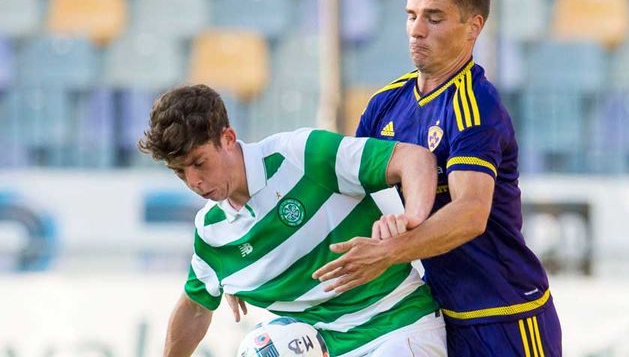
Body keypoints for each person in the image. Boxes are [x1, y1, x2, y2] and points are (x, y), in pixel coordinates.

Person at [311, 0, 563, 356]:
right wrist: (256, 269)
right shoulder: (385, 103)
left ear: (473, 27)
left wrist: (386, 253)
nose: (416, 30)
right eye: (411, 15)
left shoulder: (476, 107)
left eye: (434, 18)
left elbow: (470, 214)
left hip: (506, 314)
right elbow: (343, 195)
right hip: (432, 315)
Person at [138, 84, 447, 357]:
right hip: (322, 346)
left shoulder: (300, 155)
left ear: (228, 138)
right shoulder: (212, 232)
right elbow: (195, 307)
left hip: (396, 329)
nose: (193, 181)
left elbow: (414, 158)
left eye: (199, 163)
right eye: (180, 171)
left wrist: (411, 222)